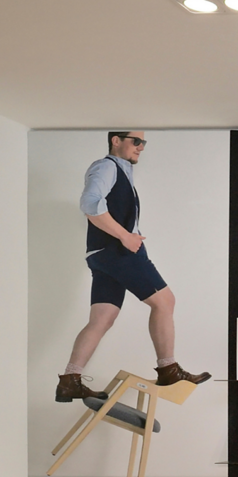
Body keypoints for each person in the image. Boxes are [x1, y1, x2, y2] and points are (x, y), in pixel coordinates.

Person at [56, 131, 211, 401]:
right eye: (135, 141)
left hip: (103, 255)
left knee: (102, 319)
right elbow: (90, 203)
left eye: (143, 142)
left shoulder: (120, 171)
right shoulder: (106, 167)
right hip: (118, 252)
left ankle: (70, 381)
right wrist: (125, 236)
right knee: (165, 301)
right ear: (116, 140)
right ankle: (168, 370)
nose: (141, 147)